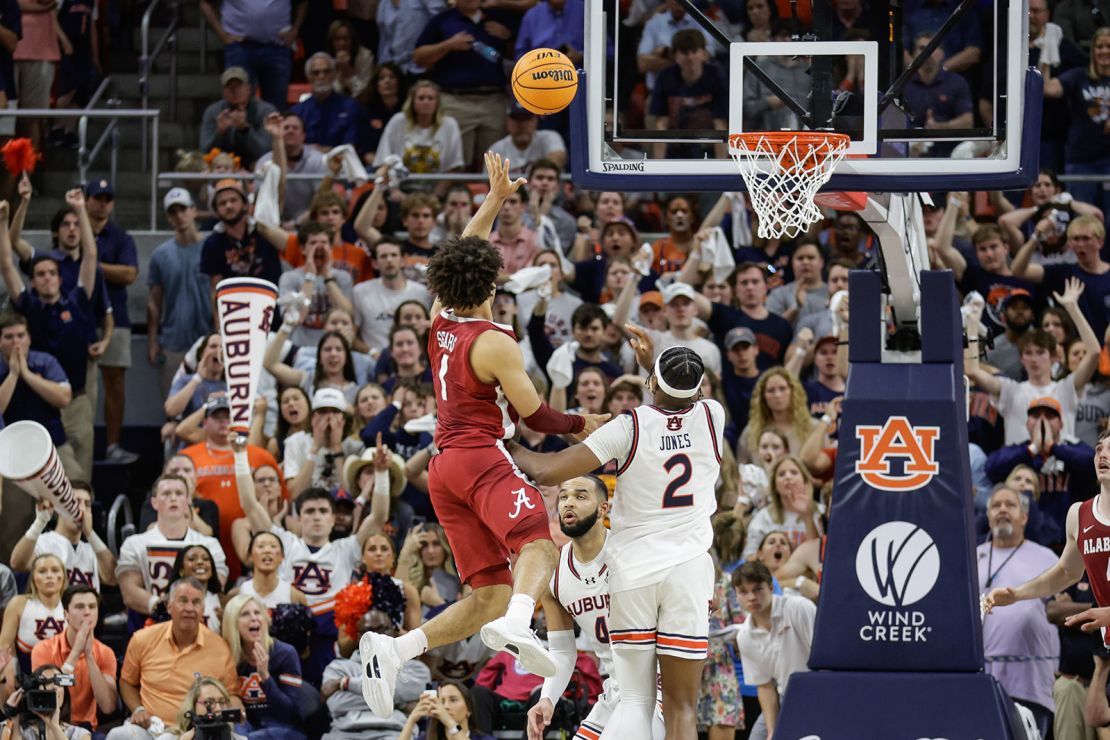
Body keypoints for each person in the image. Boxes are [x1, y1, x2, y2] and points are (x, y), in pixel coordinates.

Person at [358, 153, 607, 718]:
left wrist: (493, 201)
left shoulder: (441, 317)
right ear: (493, 282)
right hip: (479, 456)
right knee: (540, 541)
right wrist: (582, 424)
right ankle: (522, 624)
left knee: (491, 592)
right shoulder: (495, 342)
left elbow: (460, 253)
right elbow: (535, 418)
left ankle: (396, 649)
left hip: (444, 467)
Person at [509, 338, 724, 740]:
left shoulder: (629, 426)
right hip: (690, 570)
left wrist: (505, 443)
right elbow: (679, 396)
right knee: (681, 709)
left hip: (635, 570)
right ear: (698, 391)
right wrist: (654, 368)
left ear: (651, 383)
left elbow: (546, 470)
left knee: (635, 700)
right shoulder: (713, 416)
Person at [526, 475, 664, 740]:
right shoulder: (554, 573)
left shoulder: (633, 554)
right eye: (564, 496)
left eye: (580, 496)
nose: (569, 503)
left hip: (656, 685)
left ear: (604, 508)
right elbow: (563, 652)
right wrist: (548, 699)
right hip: (613, 689)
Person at [109, 579, 242, 740]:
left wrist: (233, 713)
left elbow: (232, 694)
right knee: (118, 734)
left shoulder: (219, 647)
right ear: (169, 606)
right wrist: (137, 709)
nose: (189, 608)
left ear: (203, 609)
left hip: (200, 730)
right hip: (151, 729)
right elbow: (127, 682)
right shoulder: (142, 639)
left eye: (196, 602)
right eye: (183, 601)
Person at [976, 485, 1060, 736]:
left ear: (1024, 517)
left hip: (1030, 686)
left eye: (1010, 505)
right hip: (979, 686)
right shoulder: (972, 557)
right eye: (995, 506)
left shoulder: (1047, 558)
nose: (1002, 510)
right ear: (988, 515)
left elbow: (1060, 607)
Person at [115, 474, 228, 621]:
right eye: (166, 493)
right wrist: (161, 608)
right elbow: (129, 593)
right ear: (154, 502)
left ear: (188, 501)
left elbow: (217, 587)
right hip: (150, 624)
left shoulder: (210, 544)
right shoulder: (134, 544)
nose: (173, 498)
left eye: (179, 493)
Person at [734, 561, 816, 740]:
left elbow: (825, 659)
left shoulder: (799, 608)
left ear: (771, 587)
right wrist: (772, 732)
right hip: (785, 695)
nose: (751, 597)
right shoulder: (745, 636)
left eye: (757, 589)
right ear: (736, 595)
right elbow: (764, 686)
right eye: (744, 592)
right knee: (758, 737)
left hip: (818, 691)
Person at [147, 188, 212, 397]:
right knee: (174, 406)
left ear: (194, 211)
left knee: (211, 405)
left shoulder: (212, 249)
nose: (179, 216)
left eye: (183, 209)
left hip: (208, 340)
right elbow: (154, 303)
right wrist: (152, 341)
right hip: (174, 342)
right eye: (173, 212)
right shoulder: (160, 255)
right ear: (168, 218)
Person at [30, 585, 117, 732]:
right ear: (66, 614)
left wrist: (90, 657)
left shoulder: (105, 653)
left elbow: (108, 706)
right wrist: (76, 652)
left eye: (92, 606)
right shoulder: (43, 649)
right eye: (80, 607)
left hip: (85, 729)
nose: (87, 612)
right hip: (50, 724)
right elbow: (47, 700)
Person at [221, 594, 308, 740]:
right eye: (245, 614)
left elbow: (291, 713)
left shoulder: (285, 653)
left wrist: (266, 677)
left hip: (284, 729)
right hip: (246, 728)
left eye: (257, 612)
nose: (254, 618)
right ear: (233, 624)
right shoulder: (229, 657)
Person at [199, 0, 301, 111]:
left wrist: (295, 29)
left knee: (276, 109)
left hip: (276, 47)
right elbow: (205, 3)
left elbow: (303, 3)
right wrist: (222, 34)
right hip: (240, 47)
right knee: (238, 105)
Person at [10, 484, 115, 590]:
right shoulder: (43, 542)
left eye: (87, 504)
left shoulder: (93, 550)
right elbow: (17, 563)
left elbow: (112, 578)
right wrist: (40, 522)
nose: (82, 509)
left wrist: (90, 534)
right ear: (59, 507)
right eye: (75, 502)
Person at [352, 238, 432, 356]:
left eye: (394, 255)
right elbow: (351, 335)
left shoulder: (421, 293)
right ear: (374, 263)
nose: (389, 260)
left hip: (414, 359)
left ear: (403, 260)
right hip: (374, 360)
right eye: (383, 256)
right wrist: (372, 352)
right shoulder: (360, 292)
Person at [0, 554, 67, 676]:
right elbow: (5, 646)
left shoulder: (73, 604)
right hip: (26, 680)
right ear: (33, 578)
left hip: (65, 677)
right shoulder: (18, 603)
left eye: (55, 570)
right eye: (42, 571)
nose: (49, 575)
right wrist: (15, 677)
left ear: (63, 576)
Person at [198, 67, 277, 168]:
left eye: (239, 86)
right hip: (221, 170)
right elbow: (204, 151)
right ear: (224, 91)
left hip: (256, 169)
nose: (234, 90)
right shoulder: (213, 112)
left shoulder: (265, 111)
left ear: (248, 89)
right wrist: (220, 133)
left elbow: (265, 152)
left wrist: (245, 129)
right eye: (229, 87)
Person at [291, 53, 364, 151]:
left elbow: (350, 147)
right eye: (316, 73)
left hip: (341, 163)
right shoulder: (297, 112)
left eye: (327, 71)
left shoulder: (350, 106)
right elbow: (292, 148)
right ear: (308, 77)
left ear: (334, 75)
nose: (321, 76)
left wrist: (319, 150)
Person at [0, 663, 91, 740]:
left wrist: (54, 727)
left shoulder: (80, 734)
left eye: (58, 683)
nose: (53, 688)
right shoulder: (18, 729)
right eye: (46, 683)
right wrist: (15, 719)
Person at [397, 681, 494, 740]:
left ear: (469, 710)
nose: (446, 706)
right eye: (441, 702)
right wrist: (411, 720)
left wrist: (448, 721)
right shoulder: (427, 738)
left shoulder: (485, 739)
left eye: (453, 700)